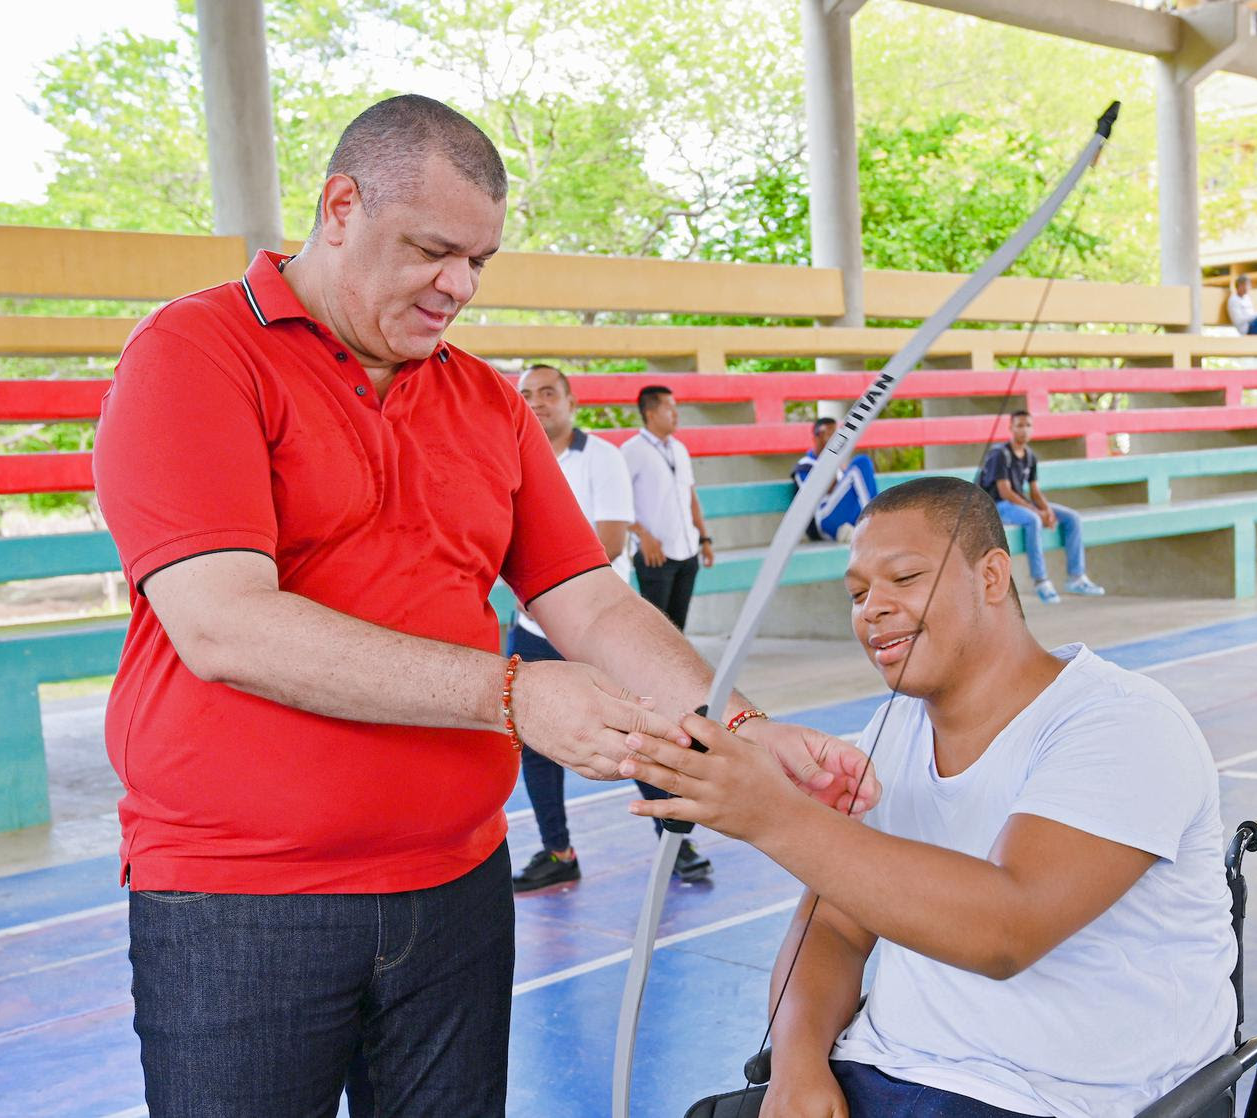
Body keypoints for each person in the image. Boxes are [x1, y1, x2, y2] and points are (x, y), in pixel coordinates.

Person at [91, 94, 874, 1118]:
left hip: (456, 882)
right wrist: (509, 692)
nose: (458, 285)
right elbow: (224, 622)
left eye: (481, 261)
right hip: (242, 899)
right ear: (339, 207)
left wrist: (738, 726)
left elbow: (589, 599)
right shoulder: (196, 352)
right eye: (432, 250)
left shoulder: (484, 398)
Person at [625, 477, 1236, 1118]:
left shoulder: (1122, 722)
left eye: (905, 578)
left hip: (1062, 1100)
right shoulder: (891, 734)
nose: (871, 608)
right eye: (858, 593)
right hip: (892, 1072)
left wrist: (776, 815)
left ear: (992, 576)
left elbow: (1008, 929)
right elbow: (832, 924)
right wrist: (797, 1065)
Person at [507, 365, 712, 891]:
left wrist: (532, 579)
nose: (537, 402)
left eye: (548, 392)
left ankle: (675, 844)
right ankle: (558, 851)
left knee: (636, 732)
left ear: (572, 401)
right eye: (526, 394)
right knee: (532, 739)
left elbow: (611, 542)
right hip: (531, 624)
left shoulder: (602, 457)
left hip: (594, 623)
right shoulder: (507, 453)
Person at [978, 411, 1104, 604]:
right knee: (1033, 520)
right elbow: (1005, 492)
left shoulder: (1030, 457)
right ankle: (1041, 580)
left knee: (1072, 518)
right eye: (1019, 425)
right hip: (997, 505)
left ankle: (1076, 577)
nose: (1024, 429)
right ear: (1011, 428)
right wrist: (1037, 512)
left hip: (1019, 503)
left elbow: (1035, 491)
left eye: (1028, 425)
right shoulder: (1000, 454)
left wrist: (1048, 511)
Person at [622, 385, 713, 630]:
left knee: (678, 629)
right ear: (650, 413)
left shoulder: (679, 449)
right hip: (656, 555)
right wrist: (642, 535)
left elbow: (690, 495)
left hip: (687, 552)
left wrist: (704, 538)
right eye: (669, 408)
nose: (676, 414)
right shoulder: (631, 451)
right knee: (656, 632)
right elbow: (616, 502)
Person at [793, 418, 878, 544]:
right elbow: (819, 492)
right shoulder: (805, 466)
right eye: (828, 434)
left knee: (862, 466)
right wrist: (834, 462)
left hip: (843, 516)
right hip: (825, 520)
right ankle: (875, 520)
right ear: (816, 438)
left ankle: (869, 522)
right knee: (860, 463)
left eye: (836, 434)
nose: (833, 440)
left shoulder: (838, 467)